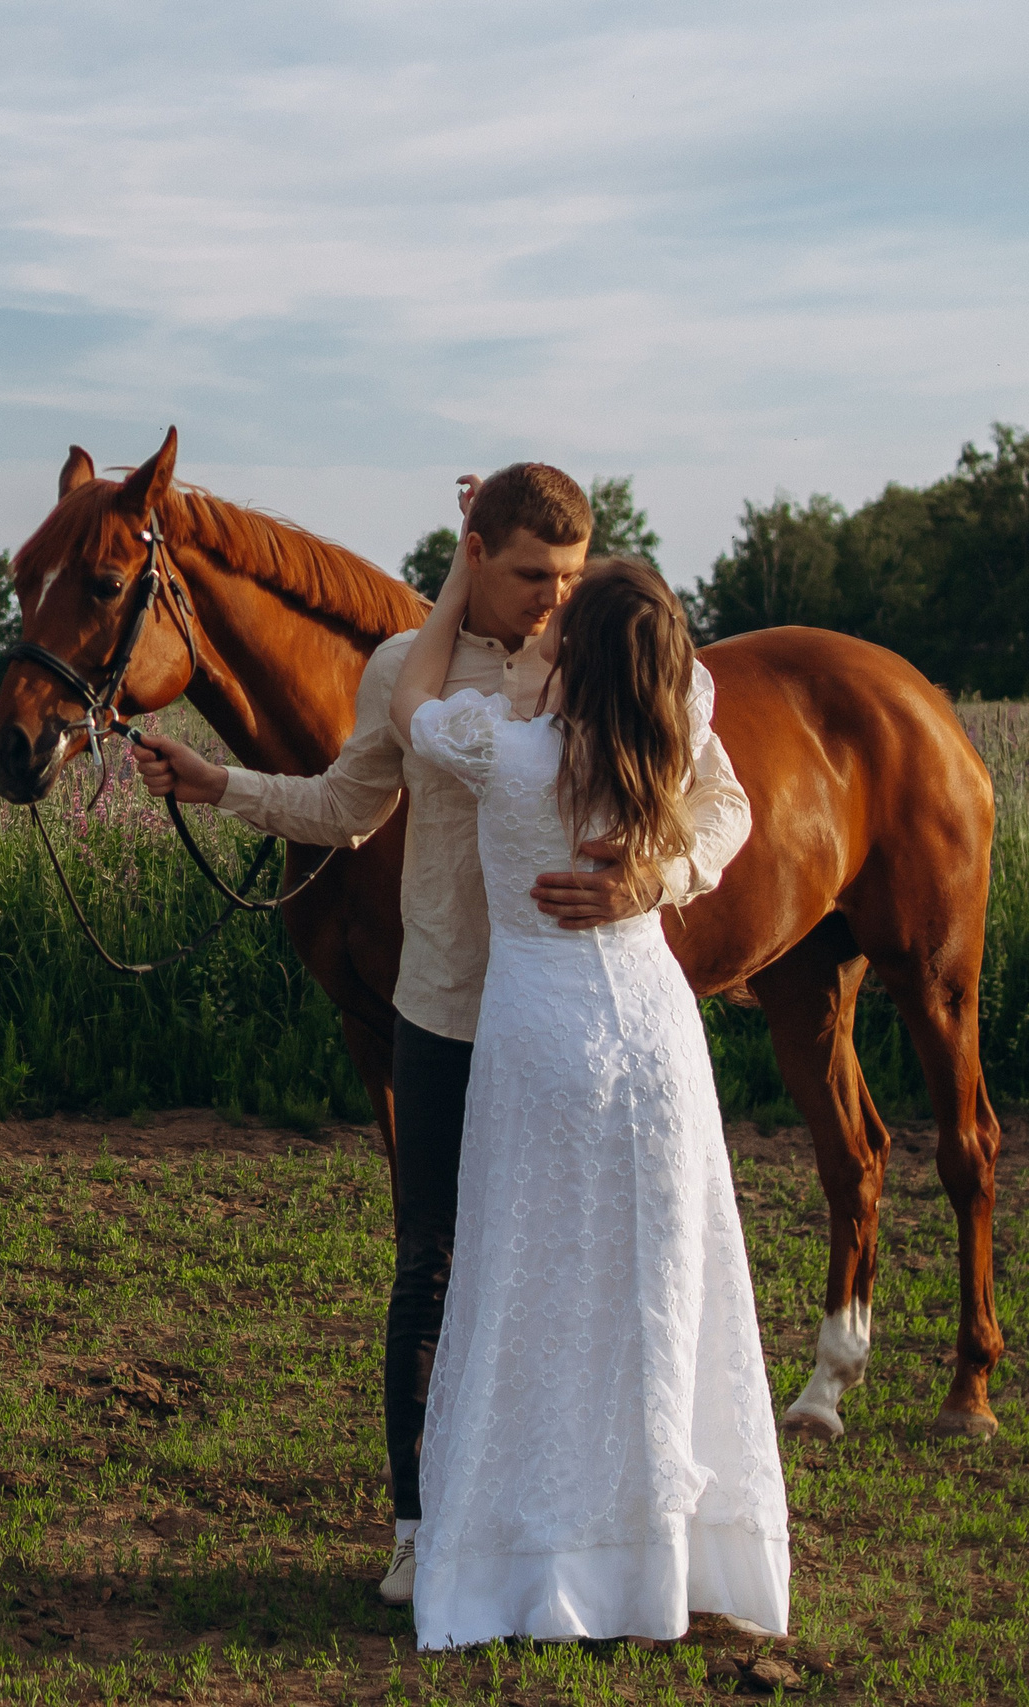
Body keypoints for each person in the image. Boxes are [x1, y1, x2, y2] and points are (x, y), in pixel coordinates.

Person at [132, 463, 754, 1604]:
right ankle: (420, 1526)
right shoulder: (403, 676)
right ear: (475, 553)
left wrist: (657, 879)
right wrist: (215, 784)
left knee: (572, 1271)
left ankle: (570, 1516)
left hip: (573, 1020)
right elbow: (344, 805)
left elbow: (720, 802)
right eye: (530, 576)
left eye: (570, 578)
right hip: (451, 1011)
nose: (553, 600)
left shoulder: (612, 664)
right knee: (431, 1264)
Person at [385, 494, 789, 1643]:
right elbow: (700, 765)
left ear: (573, 647)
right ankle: (661, 1555)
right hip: (654, 1038)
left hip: (542, 1040)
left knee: (526, 1281)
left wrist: (658, 875)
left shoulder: (502, 752)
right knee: (661, 1283)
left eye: (566, 604)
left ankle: (527, 1552)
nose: (548, 609)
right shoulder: (668, 721)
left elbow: (415, 705)